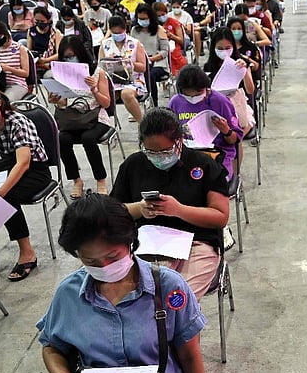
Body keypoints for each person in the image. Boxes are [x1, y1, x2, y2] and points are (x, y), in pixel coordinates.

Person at [37, 194, 228, 373]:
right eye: (90, 261)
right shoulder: (69, 294)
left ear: (130, 242)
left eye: (112, 257)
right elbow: (53, 347)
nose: (104, 268)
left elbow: (189, 357)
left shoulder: (169, 288)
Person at [111, 107, 229, 299]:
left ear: (179, 141)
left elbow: (220, 216)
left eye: (166, 151)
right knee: (126, 298)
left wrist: (179, 210)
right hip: (145, 243)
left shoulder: (205, 165)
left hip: (195, 243)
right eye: (150, 151)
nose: (158, 157)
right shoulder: (133, 165)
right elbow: (113, 211)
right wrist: (139, 208)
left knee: (175, 303)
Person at [0, 80, 51, 282]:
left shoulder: (18, 122)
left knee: (5, 198)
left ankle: (27, 251)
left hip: (34, 172)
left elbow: (23, 163)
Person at [48, 36, 112, 199]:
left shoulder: (97, 72)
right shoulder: (62, 73)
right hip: (73, 119)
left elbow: (106, 103)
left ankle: (101, 180)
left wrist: (94, 90)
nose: (70, 59)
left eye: (72, 55)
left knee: (88, 138)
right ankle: (76, 180)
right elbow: (64, 102)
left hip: (96, 117)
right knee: (62, 139)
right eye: (66, 56)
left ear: (80, 53)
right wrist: (57, 100)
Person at [168, 65, 243, 181]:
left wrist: (226, 131)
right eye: (188, 95)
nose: (193, 98)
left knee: (209, 183)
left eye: (198, 94)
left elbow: (235, 139)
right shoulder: (176, 102)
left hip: (217, 153)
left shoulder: (220, 101)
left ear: (206, 88)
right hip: (187, 153)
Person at [102, 15, 148, 123]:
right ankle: (104, 125)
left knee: (126, 94)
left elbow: (143, 67)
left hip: (134, 80)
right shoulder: (105, 44)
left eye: (119, 32)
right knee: (100, 95)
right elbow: (100, 67)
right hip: (114, 80)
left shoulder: (135, 44)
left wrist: (129, 63)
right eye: (114, 33)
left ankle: (142, 124)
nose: (117, 35)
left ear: (125, 30)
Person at [131, 4, 170, 107]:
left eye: (145, 18)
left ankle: (153, 103)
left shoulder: (159, 29)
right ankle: (134, 104)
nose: (142, 21)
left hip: (158, 63)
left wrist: (151, 59)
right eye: (140, 18)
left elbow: (165, 51)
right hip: (140, 63)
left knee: (149, 74)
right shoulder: (134, 30)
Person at [0, 20, 31, 102]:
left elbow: (25, 73)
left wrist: (9, 69)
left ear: (5, 33)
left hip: (17, 84)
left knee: (4, 102)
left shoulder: (19, 48)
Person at [156, 2, 187, 76]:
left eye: (163, 14)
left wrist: (171, 36)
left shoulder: (174, 22)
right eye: (158, 16)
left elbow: (182, 41)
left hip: (173, 47)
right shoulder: (154, 24)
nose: (161, 17)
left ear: (166, 12)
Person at [28, 7, 62, 76]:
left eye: (42, 21)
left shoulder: (55, 32)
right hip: (36, 62)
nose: (39, 23)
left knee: (50, 75)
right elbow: (29, 51)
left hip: (50, 62)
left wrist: (45, 60)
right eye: (37, 21)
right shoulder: (31, 31)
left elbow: (59, 54)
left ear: (48, 20)